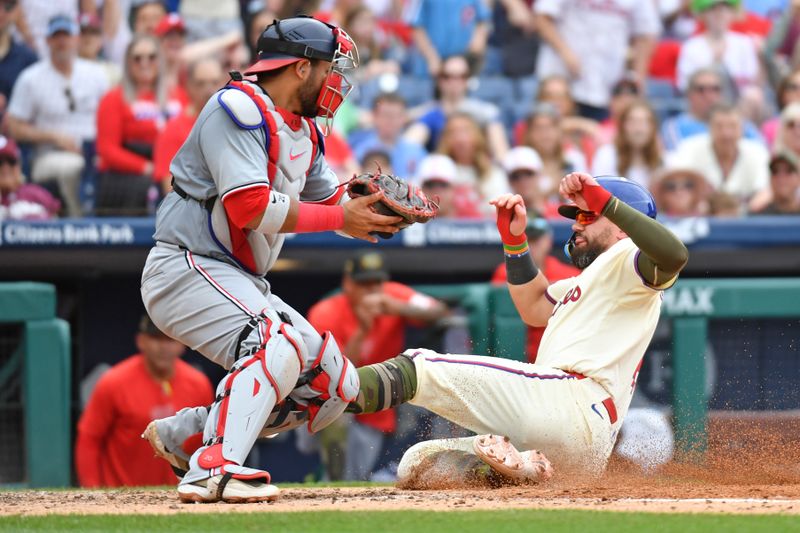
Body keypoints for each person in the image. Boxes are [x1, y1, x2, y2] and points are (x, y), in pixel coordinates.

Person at [140, 16, 402, 503]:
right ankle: (212, 468)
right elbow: (251, 206)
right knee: (274, 342)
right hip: (185, 265)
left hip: (237, 277)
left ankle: (195, 433)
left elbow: (331, 201)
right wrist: (343, 218)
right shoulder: (235, 107)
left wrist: (374, 206)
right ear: (302, 68)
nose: (336, 81)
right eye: (330, 68)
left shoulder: (304, 131)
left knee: (331, 385)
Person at [348, 174, 689, 483]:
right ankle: (522, 471)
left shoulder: (629, 255)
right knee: (417, 461)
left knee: (417, 368)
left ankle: (326, 392)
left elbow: (673, 255)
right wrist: (515, 242)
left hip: (574, 399)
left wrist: (607, 203)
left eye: (587, 215)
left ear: (621, 224)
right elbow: (535, 306)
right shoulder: (593, 279)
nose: (575, 226)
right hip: (578, 438)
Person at [306, 250, 449, 480]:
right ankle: (329, 479)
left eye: (377, 283)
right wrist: (362, 330)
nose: (372, 291)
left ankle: (336, 486)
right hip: (323, 404)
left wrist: (399, 308)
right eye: (364, 284)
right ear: (348, 284)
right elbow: (333, 376)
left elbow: (439, 312)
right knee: (337, 417)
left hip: (373, 408)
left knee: (355, 477)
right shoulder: (326, 312)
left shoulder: (393, 294)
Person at [75, 315, 213, 488]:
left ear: (182, 343)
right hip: (122, 496)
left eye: (170, 339)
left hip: (179, 494)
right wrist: (92, 490)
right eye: (156, 339)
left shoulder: (199, 384)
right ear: (141, 341)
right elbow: (90, 438)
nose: (163, 347)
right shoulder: (113, 382)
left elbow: (209, 440)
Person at [5, 14, 108, 217]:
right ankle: (80, 222)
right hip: (49, 153)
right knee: (73, 167)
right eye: (57, 36)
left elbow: (108, 116)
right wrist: (53, 136)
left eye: (67, 35)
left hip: (94, 149)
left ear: (76, 39)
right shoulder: (31, 78)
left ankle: (110, 221)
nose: (62, 42)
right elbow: (13, 126)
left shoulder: (96, 74)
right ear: (48, 41)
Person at [95, 35, 183, 215]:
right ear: (128, 63)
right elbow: (107, 150)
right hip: (132, 177)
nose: (145, 63)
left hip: (177, 168)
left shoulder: (179, 95)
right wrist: (147, 168)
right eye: (137, 58)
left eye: (152, 57)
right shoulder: (113, 99)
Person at [534, 0, 661, 120]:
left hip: (608, 86)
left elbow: (647, 33)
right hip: (564, 82)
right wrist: (565, 52)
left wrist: (638, 79)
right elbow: (541, 17)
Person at [490, 218, 579, 362]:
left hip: (557, 358)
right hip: (513, 356)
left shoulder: (567, 274)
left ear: (548, 241)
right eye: (527, 240)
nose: (532, 246)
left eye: (536, 240)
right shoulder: (504, 272)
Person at [670, 103, 770, 211]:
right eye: (719, 126)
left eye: (732, 126)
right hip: (699, 219)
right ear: (709, 127)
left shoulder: (757, 152)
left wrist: (744, 212)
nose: (726, 134)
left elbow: (766, 191)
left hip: (746, 221)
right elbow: (674, 186)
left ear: (742, 129)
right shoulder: (689, 148)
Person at [405, 55, 508, 158]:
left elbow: (501, 154)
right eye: (447, 76)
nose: (454, 81)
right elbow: (408, 147)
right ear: (439, 80)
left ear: (468, 80)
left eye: (462, 76)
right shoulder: (429, 112)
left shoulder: (485, 112)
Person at [153, 57, 225, 191]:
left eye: (215, 82)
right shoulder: (173, 129)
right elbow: (170, 188)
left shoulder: (233, 124)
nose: (209, 90)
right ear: (189, 86)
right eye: (201, 83)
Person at [661, 68, 763, 151]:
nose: (709, 96)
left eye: (715, 89)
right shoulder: (674, 127)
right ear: (689, 94)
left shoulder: (741, 124)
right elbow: (678, 159)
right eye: (701, 89)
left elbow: (761, 153)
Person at [676, 0, 760, 93]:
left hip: (739, 103)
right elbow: (684, 86)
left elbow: (751, 82)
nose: (719, 13)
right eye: (712, 8)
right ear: (703, 13)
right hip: (703, 101)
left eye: (725, 7)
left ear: (732, 12)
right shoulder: (691, 47)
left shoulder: (744, 43)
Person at [436, 112, 509, 215]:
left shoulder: (493, 173)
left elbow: (497, 209)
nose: (460, 139)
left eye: (465, 131)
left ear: (477, 136)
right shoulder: (436, 170)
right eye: (453, 133)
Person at [350, 93, 427, 180]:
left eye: (396, 115)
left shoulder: (416, 151)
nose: (391, 120)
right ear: (374, 116)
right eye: (386, 115)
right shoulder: (361, 150)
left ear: (405, 118)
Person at [521, 103, 587, 203]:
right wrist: (552, 190)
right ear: (529, 133)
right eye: (539, 128)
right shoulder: (521, 163)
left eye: (550, 127)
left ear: (559, 131)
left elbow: (586, 199)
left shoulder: (574, 159)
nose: (545, 134)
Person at [591, 100, 664, 189]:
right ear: (623, 126)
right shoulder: (607, 155)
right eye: (633, 122)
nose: (638, 129)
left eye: (644, 122)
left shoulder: (662, 161)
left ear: (653, 127)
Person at [408, 0, 491, 77]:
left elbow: (483, 22)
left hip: (463, 68)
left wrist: (471, 53)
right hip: (430, 68)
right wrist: (431, 58)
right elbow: (417, 28)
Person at [0, 134, 60, 220]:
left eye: (11, 161)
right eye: (0, 162)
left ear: (19, 165)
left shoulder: (36, 193)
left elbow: (57, 226)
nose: (5, 167)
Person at [415, 153, 482, 219]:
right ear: (421, 190)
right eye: (430, 185)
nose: (437, 190)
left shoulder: (470, 217)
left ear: (454, 188)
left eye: (443, 185)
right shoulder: (410, 220)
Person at [0, 0, 37, 117]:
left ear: (18, 11)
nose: (1, 12)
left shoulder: (27, 58)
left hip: (13, 131)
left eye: (8, 6)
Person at [501, 146, 559, 219]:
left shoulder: (560, 214)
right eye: (515, 176)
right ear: (509, 181)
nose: (523, 181)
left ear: (540, 175)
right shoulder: (503, 219)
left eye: (528, 174)